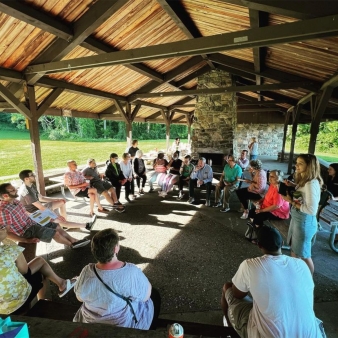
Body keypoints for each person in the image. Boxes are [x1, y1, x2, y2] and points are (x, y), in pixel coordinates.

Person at [221, 225, 325, 338]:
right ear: (282, 243)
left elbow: (237, 294)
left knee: (227, 287)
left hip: (263, 334)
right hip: (314, 334)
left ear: (259, 245)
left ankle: (229, 329)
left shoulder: (250, 265)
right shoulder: (301, 264)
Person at [73, 228, 161, 330]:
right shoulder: (131, 271)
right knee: (154, 295)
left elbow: (79, 297)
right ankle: (151, 330)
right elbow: (145, 296)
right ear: (115, 249)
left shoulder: (86, 271)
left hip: (90, 320)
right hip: (120, 323)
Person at [0, 228, 77, 315]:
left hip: (2, 310)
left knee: (37, 263)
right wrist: (5, 239)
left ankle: (61, 284)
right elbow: (24, 271)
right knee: (40, 269)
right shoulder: (7, 249)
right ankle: (44, 299)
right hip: (21, 299)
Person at [0, 183, 91, 249]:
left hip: (32, 223)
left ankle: (74, 240)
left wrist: (45, 218)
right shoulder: (4, 210)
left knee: (56, 226)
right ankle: (72, 245)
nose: (15, 190)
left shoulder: (15, 201)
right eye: (12, 190)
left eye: (14, 188)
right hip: (26, 231)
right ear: (5, 195)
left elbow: (27, 213)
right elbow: (7, 233)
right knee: (55, 233)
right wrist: (25, 240)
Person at [282, 154, 323, 275]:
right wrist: (293, 185)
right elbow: (304, 193)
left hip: (304, 221)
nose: (296, 165)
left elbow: (311, 210)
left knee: (304, 254)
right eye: (297, 162)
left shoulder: (311, 184)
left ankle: (308, 282)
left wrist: (291, 202)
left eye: (300, 163)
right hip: (298, 218)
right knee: (295, 250)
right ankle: (297, 278)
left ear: (309, 166)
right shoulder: (305, 180)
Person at [18, 169, 97, 230]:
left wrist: (57, 199)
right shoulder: (27, 192)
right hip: (34, 214)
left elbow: (41, 198)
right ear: (26, 179)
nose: (34, 175)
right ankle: (86, 225)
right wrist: (55, 216)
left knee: (61, 202)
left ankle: (65, 225)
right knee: (59, 220)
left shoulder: (31, 185)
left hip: (39, 209)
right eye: (32, 175)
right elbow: (41, 207)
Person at [247, 170, 290, 243]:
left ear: (279, 178)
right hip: (268, 207)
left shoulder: (279, 188)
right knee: (251, 212)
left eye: (272, 176)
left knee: (258, 217)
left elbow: (276, 206)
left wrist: (261, 211)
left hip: (277, 212)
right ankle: (257, 230)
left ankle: (261, 238)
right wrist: (260, 201)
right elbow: (266, 196)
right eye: (269, 176)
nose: (270, 178)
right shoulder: (272, 185)